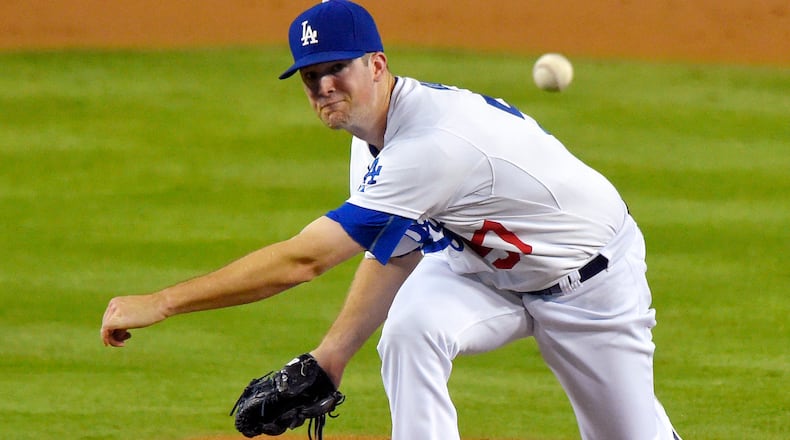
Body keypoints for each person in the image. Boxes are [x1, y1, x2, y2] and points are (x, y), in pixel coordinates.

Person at [101, 1, 682, 439]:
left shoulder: (429, 143)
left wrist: (163, 302)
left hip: (589, 286)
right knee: (410, 331)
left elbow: (305, 260)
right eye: (309, 75)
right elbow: (397, 250)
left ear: (376, 65)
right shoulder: (371, 131)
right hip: (478, 267)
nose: (324, 86)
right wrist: (331, 360)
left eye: (337, 69)